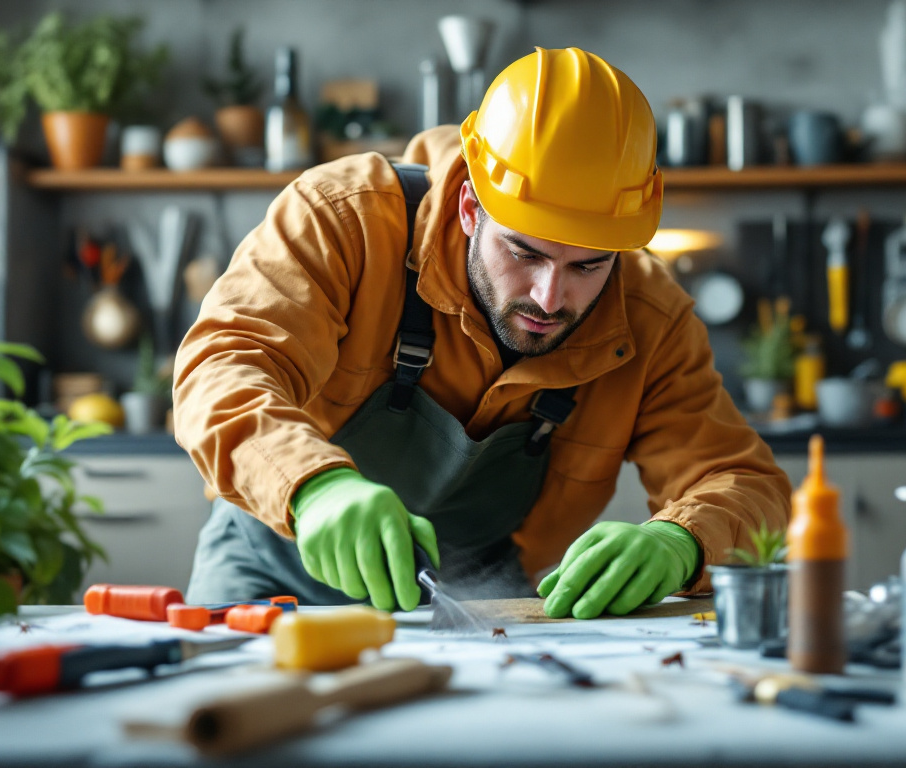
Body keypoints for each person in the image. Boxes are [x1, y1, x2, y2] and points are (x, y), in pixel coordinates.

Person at [175, 47, 790, 620]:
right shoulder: (344, 218)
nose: (550, 299)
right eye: (524, 252)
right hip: (268, 563)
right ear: (471, 207)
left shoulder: (650, 317)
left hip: (476, 591)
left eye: (588, 265)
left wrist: (681, 541)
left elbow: (745, 483)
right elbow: (221, 366)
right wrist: (314, 489)